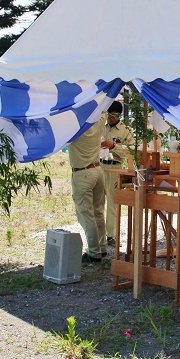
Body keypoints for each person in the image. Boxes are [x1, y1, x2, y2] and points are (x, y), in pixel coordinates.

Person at [68, 103, 112, 263]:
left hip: (82, 173)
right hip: (97, 170)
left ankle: (94, 252)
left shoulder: (74, 129)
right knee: (99, 211)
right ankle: (102, 247)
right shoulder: (98, 122)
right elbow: (105, 110)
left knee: (86, 214)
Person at [100, 101, 134, 246]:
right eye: (108, 115)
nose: (110, 118)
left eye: (113, 115)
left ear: (119, 115)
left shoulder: (125, 130)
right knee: (98, 201)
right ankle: (99, 235)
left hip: (115, 168)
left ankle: (111, 235)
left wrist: (113, 146)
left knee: (113, 202)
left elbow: (131, 150)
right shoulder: (101, 128)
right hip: (100, 166)